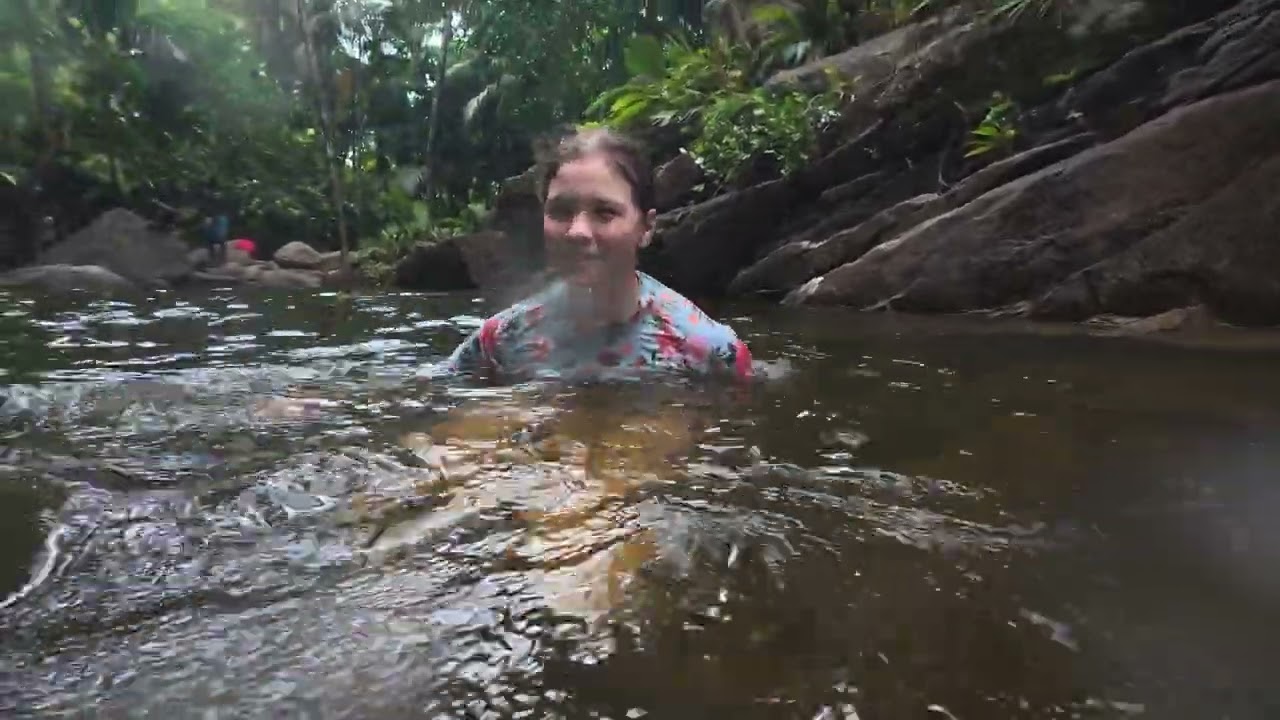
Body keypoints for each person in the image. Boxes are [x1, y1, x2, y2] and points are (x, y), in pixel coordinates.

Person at [440, 127, 753, 384]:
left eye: (605, 212)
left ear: (646, 227)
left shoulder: (710, 351)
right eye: (561, 211)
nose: (578, 232)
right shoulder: (498, 341)